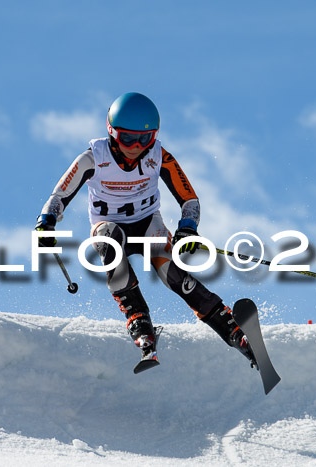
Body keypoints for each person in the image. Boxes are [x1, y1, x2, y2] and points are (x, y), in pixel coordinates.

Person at [35, 92, 255, 367]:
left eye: (145, 138)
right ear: (112, 131)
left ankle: (233, 331)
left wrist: (187, 228)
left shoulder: (159, 156)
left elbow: (189, 198)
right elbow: (59, 196)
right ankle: (138, 320)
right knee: (110, 242)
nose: (136, 146)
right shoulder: (92, 158)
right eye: (127, 138)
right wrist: (47, 221)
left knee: (173, 275)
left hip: (148, 224)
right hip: (110, 227)